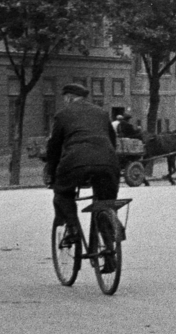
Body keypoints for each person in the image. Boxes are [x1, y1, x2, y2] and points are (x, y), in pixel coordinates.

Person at [46, 83, 121, 272]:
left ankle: (72, 229)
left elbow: (54, 147)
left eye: (65, 98)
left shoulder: (63, 115)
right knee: (105, 202)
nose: (65, 101)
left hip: (75, 162)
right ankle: (110, 248)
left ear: (69, 97)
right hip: (107, 162)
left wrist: (51, 172)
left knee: (62, 193)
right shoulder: (102, 113)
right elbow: (112, 142)